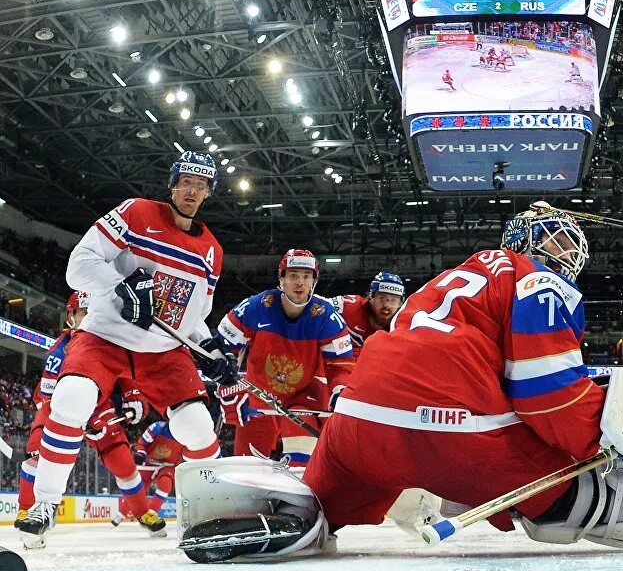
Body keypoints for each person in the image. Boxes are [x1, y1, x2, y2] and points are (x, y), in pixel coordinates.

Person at [176, 207, 623, 562]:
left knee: (321, 509)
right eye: (558, 242)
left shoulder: (441, 282)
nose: (568, 256)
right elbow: (548, 396)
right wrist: (605, 444)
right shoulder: (537, 281)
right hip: (454, 431)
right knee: (573, 499)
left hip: (356, 432)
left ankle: (276, 511)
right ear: (527, 241)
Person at [18, 151, 236, 546]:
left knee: (198, 426)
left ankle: (212, 509)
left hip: (163, 350)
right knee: (71, 398)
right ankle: (45, 504)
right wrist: (123, 284)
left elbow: (192, 318)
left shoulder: (212, 252)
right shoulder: (135, 212)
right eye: (186, 181)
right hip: (105, 335)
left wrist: (212, 350)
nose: (192, 190)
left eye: (201, 185)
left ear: (209, 193)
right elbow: (78, 265)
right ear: (172, 185)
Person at [14, 293, 165, 546]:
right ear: (70, 318)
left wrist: (134, 398)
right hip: (58, 407)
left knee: (124, 465)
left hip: (99, 406)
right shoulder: (59, 351)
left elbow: (129, 380)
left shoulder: (111, 343)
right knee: (38, 454)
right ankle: (28, 509)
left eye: (93, 312)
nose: (89, 318)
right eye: (84, 312)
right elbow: (48, 400)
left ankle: (142, 512)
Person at [216, 249, 353, 469]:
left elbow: (341, 365)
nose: (299, 283)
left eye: (306, 276)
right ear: (281, 279)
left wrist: (340, 391)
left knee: (301, 467)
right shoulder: (256, 307)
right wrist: (228, 385)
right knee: (244, 469)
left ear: (314, 282)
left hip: (303, 399)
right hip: (259, 395)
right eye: (293, 275)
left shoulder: (326, 316)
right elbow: (221, 346)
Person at [327, 271, 404, 385]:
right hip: (333, 373)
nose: (387, 306)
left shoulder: (402, 326)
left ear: (400, 303)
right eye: (382, 298)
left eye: (393, 300)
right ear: (370, 297)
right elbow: (315, 310)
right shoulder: (347, 306)